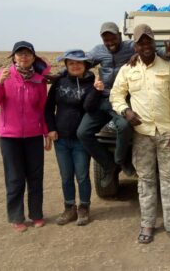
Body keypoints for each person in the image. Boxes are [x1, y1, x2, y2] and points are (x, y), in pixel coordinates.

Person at [110, 24, 170, 247]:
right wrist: (125, 111)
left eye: (148, 41)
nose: (145, 45)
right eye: (140, 42)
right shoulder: (128, 69)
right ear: (135, 45)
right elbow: (116, 95)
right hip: (141, 134)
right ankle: (147, 224)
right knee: (145, 180)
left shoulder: (168, 68)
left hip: (166, 133)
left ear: (154, 43)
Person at [75, 22, 170, 188]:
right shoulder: (98, 50)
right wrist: (62, 74)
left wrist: (167, 54)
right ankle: (110, 165)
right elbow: (80, 64)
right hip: (102, 99)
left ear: (119, 35)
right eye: (106, 39)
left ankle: (120, 160)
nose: (110, 42)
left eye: (112, 38)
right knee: (83, 132)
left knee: (126, 126)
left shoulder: (131, 46)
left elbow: (152, 51)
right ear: (102, 39)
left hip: (122, 100)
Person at [0, 41, 52, 232]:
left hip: (33, 135)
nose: (23, 57)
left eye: (27, 54)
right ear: (13, 57)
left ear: (33, 57)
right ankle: (16, 217)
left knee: (35, 177)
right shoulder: (4, 75)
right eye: (20, 54)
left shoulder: (39, 80)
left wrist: (46, 131)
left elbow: (43, 109)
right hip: (10, 137)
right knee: (14, 178)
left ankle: (37, 214)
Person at [45, 49, 104, 226]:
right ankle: (69, 208)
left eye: (79, 62)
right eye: (71, 63)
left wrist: (96, 91)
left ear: (85, 64)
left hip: (81, 139)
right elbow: (48, 108)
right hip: (61, 139)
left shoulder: (92, 82)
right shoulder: (59, 82)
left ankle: (84, 208)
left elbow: (90, 107)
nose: (75, 66)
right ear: (66, 65)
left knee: (82, 175)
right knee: (65, 176)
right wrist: (51, 128)